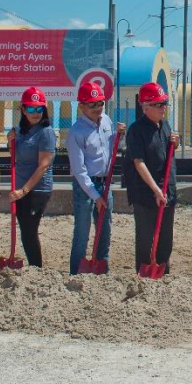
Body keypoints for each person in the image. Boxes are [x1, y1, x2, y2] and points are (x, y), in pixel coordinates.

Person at [67, 82, 124, 274]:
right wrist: (95, 195)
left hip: (105, 182)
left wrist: (120, 135)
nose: (97, 108)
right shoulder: (76, 132)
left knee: (105, 230)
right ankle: (76, 272)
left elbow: (112, 146)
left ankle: (102, 269)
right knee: (82, 231)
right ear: (81, 106)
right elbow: (79, 170)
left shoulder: (106, 121)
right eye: (92, 105)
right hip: (85, 187)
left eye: (100, 103)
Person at [126, 82, 179, 273]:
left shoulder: (165, 125)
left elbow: (167, 154)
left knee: (166, 240)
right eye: (158, 104)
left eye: (164, 103)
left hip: (168, 191)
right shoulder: (136, 130)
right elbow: (138, 162)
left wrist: (176, 143)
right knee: (146, 239)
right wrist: (156, 190)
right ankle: (144, 274)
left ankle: (163, 272)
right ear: (145, 106)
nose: (163, 108)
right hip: (146, 194)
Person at [5, 87, 56, 267]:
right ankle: (34, 267)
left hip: (36, 189)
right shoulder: (20, 131)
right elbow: (16, 157)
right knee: (25, 230)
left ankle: (36, 268)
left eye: (39, 108)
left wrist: (24, 190)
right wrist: (10, 141)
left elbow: (43, 164)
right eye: (32, 109)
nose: (36, 113)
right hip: (20, 188)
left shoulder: (46, 132)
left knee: (29, 230)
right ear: (23, 109)